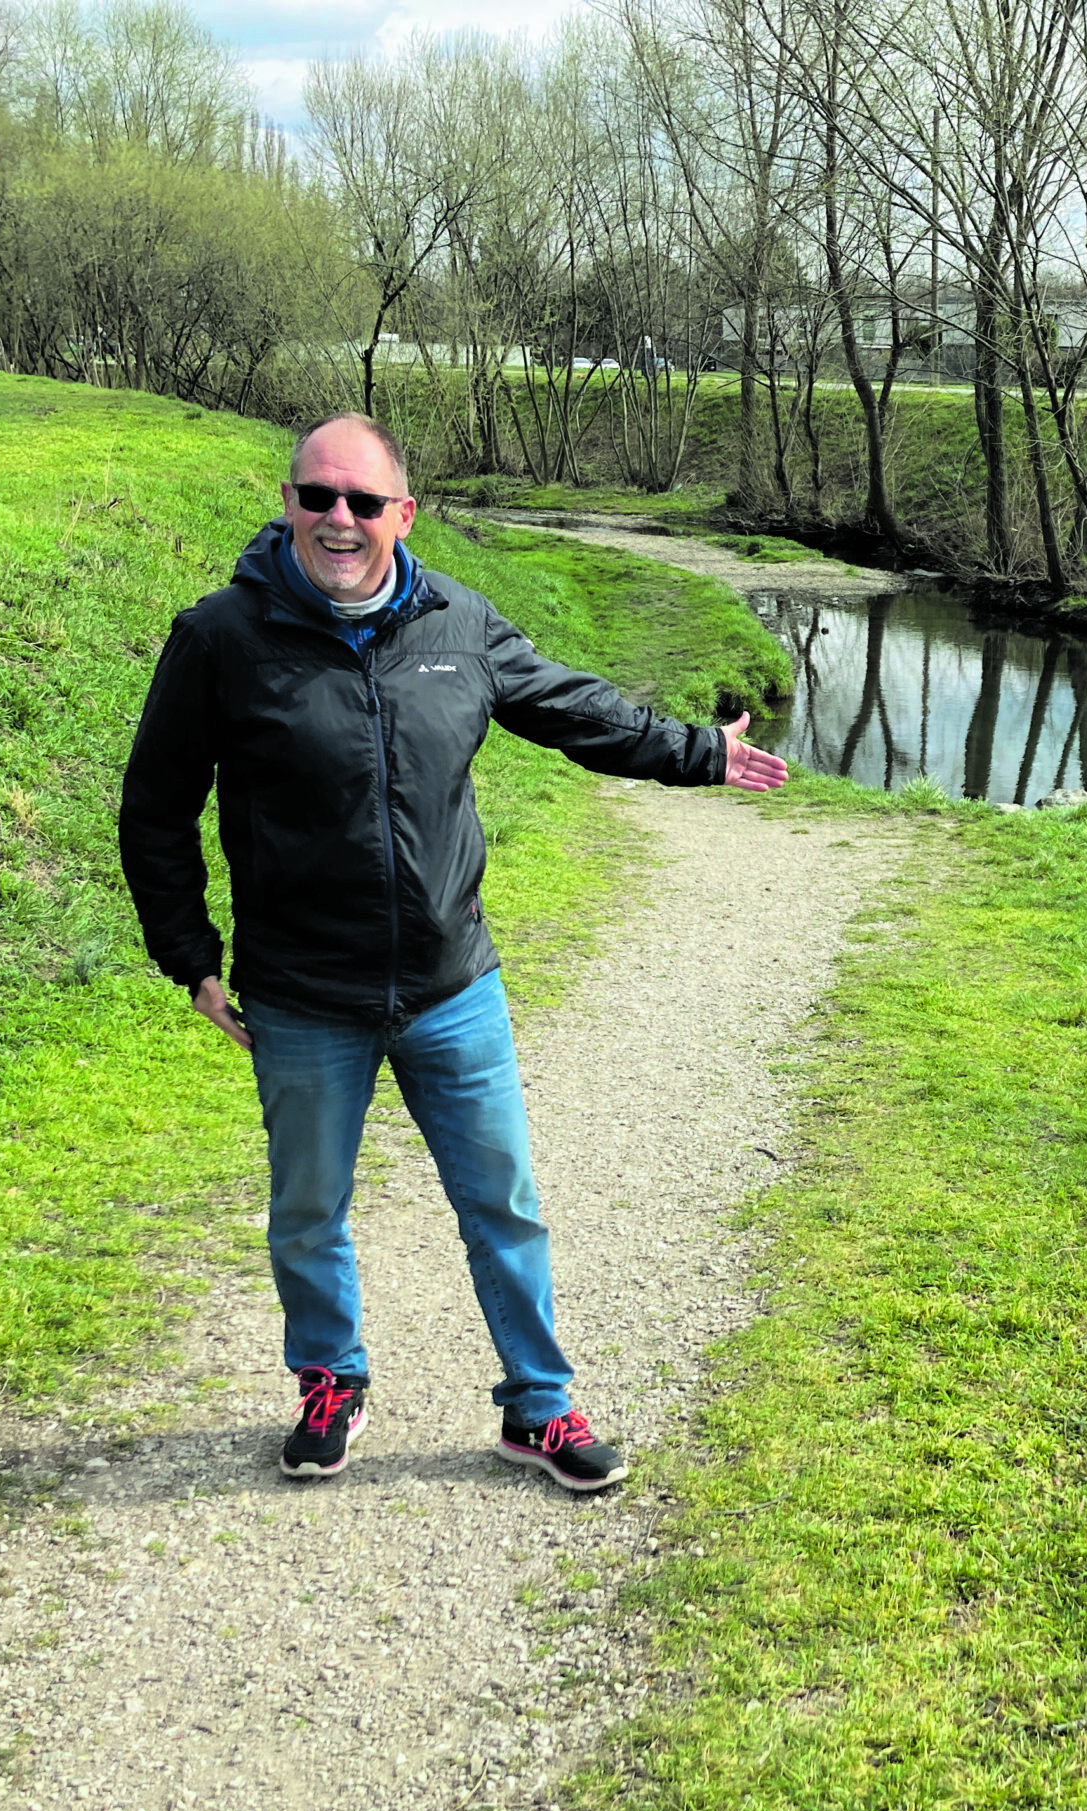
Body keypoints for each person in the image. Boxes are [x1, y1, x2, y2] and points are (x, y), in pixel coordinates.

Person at [118, 413, 788, 1490]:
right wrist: (188, 954)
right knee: (307, 1211)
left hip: (448, 986)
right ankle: (329, 1380)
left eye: (362, 502)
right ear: (288, 503)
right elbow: (155, 808)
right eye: (316, 496)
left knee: (503, 1205)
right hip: (300, 994)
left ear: (403, 515)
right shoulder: (221, 639)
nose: (338, 520)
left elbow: (575, 709)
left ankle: (540, 1407)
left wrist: (698, 752)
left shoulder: (457, 623)